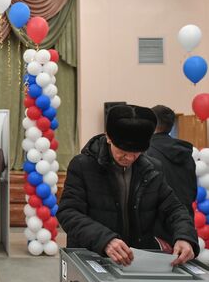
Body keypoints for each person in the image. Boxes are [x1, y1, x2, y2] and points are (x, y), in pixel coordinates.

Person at [57, 104, 198, 268]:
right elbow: (68, 212)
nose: (130, 158)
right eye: (123, 151)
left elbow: (174, 208)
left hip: (134, 260)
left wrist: (185, 236)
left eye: (137, 152)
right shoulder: (83, 165)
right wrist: (105, 240)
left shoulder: (151, 169)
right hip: (90, 258)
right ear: (109, 137)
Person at [147, 105, 196, 218]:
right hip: (185, 218)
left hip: (158, 221)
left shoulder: (146, 152)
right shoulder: (186, 154)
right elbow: (192, 192)